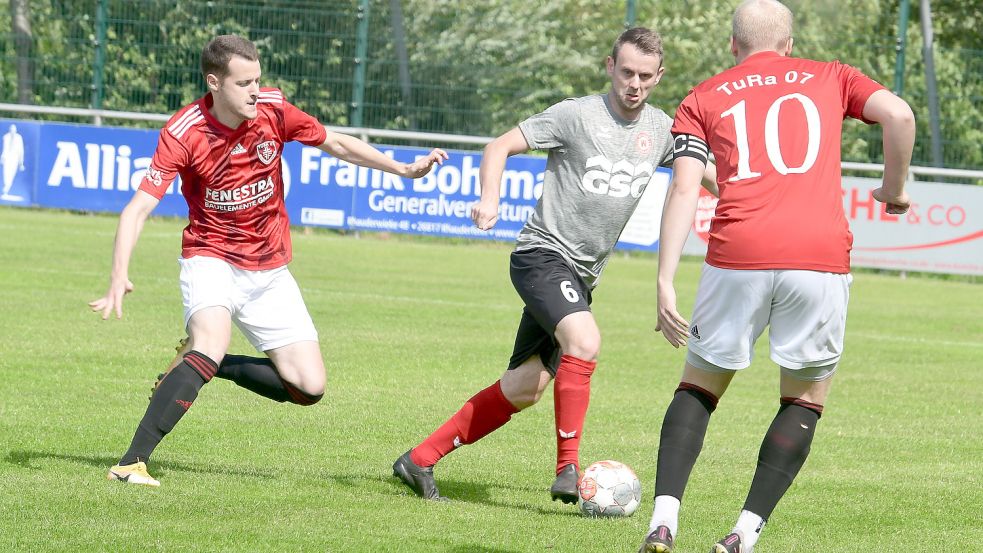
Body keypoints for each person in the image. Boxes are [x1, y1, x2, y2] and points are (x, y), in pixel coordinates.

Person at [90, 34, 448, 487]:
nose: (255, 91)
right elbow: (137, 207)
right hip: (211, 257)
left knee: (308, 387)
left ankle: (203, 366)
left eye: (258, 79)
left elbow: (334, 142)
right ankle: (131, 462)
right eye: (244, 83)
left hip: (269, 268)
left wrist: (402, 169)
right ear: (214, 83)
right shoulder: (185, 132)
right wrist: (119, 274)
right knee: (209, 340)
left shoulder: (274, 109)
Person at [392, 27, 717, 503]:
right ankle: (568, 470)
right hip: (541, 256)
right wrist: (489, 200)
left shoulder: (662, 130)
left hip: (580, 279)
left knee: (524, 387)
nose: (635, 84)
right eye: (626, 71)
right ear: (610, 67)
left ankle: (418, 460)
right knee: (585, 340)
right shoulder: (574, 115)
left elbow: (710, 175)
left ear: (659, 76)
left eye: (646, 76)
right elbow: (498, 146)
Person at [637, 1, 915, 552]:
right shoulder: (833, 76)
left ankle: (662, 521)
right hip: (818, 256)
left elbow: (686, 188)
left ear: (732, 45)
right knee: (804, 398)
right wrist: (895, 189)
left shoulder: (704, 95)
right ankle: (744, 533)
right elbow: (900, 115)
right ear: (789, 43)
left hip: (737, 252)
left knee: (699, 386)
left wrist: (665, 280)